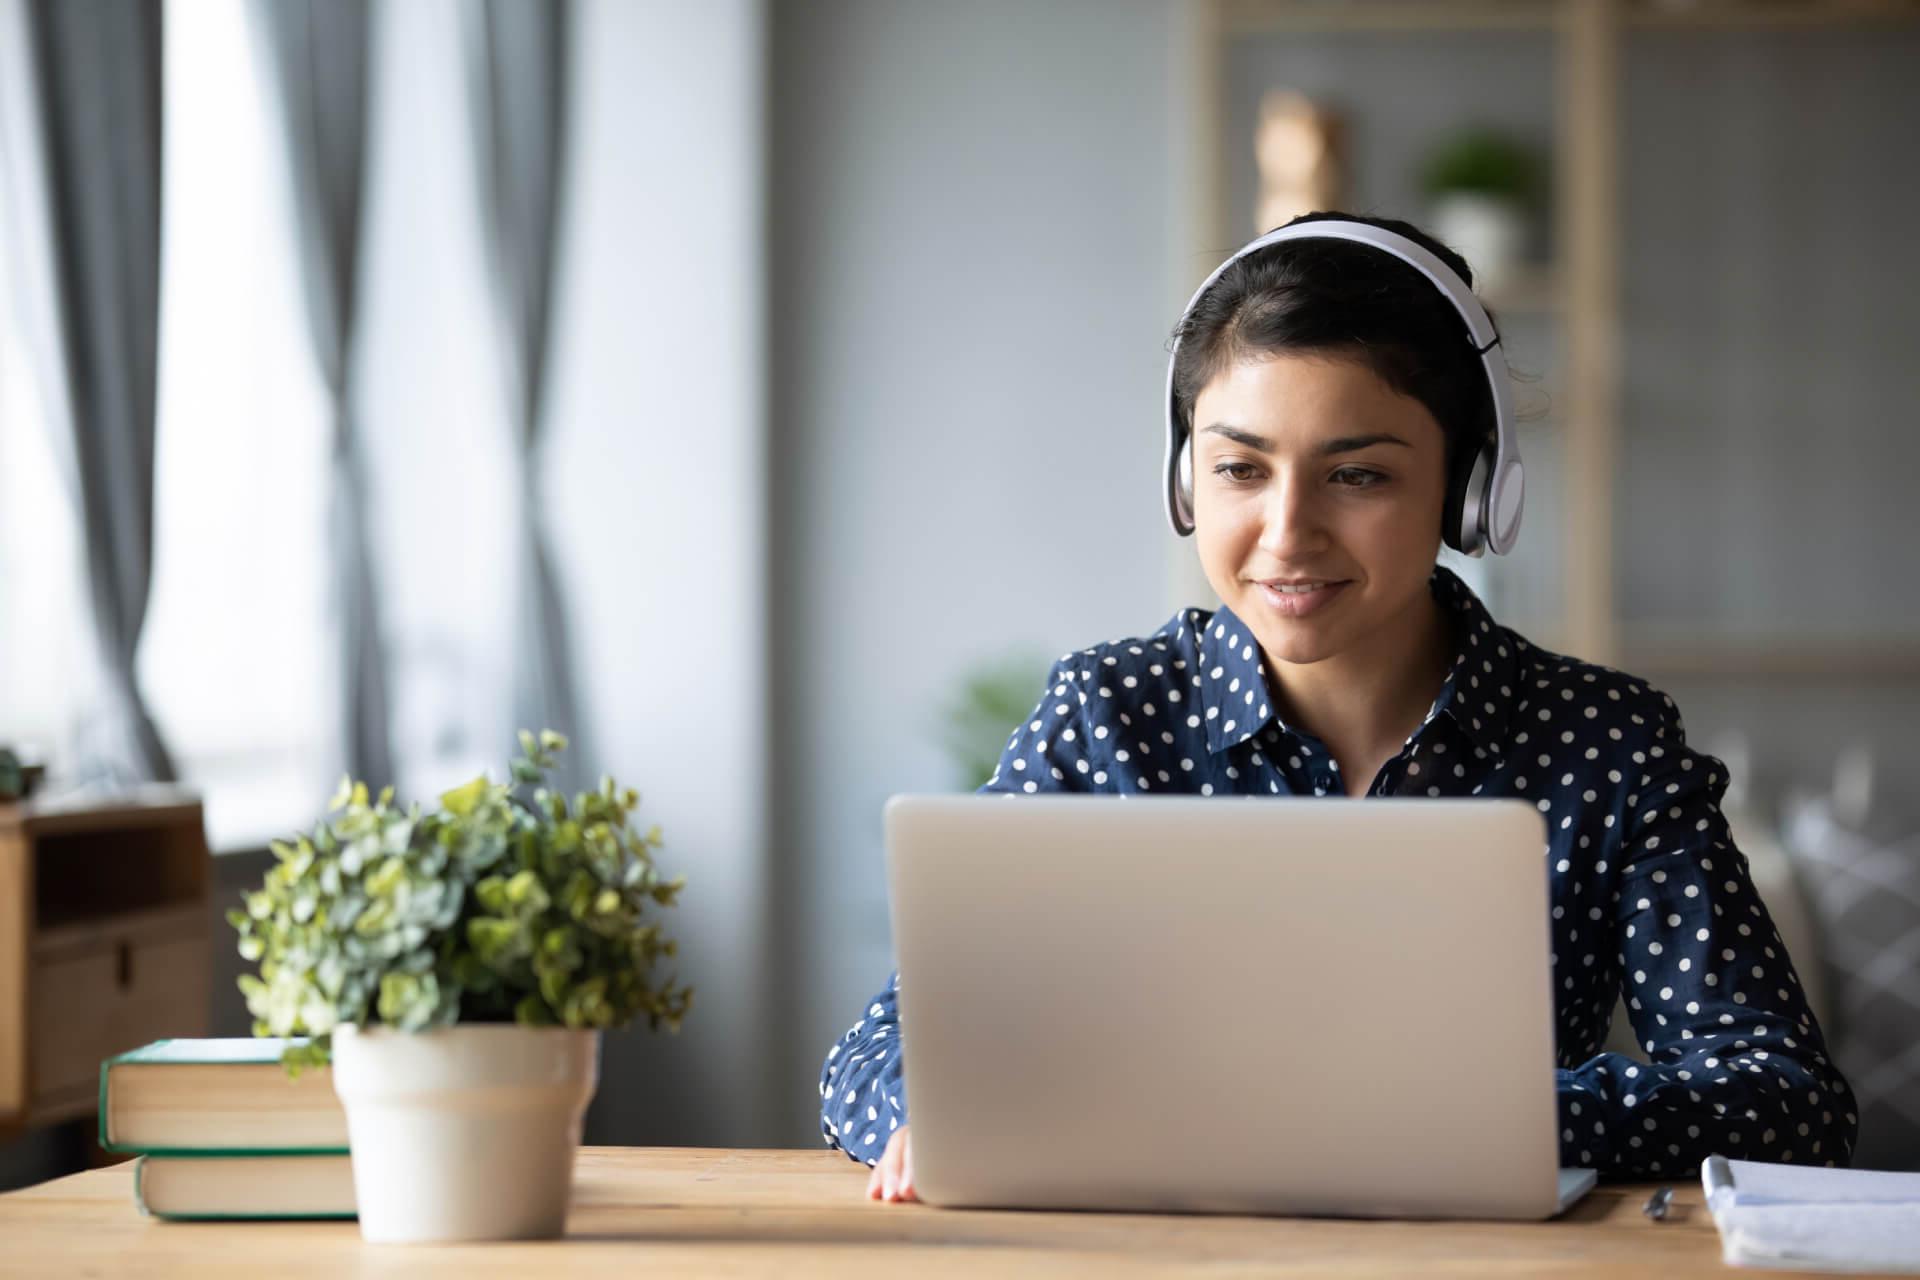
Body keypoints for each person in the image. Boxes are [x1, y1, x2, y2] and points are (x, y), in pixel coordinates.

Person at [819, 210, 1858, 1203]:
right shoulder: (1107, 715)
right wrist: (940, 1110)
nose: (1286, 532)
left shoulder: (1605, 743)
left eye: (1355, 473)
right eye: (1239, 467)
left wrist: (1474, 1117)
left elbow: (1785, 1099)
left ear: (1471, 489)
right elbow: (874, 1054)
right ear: (1187, 482)